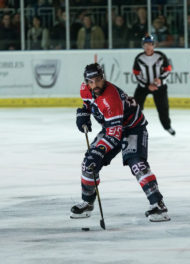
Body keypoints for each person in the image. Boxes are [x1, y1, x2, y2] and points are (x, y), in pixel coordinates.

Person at [71, 63, 170, 222]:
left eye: (98, 80)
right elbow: (89, 104)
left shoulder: (111, 98)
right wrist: (83, 113)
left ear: (103, 78)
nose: (94, 85)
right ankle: (87, 203)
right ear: (86, 82)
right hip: (111, 126)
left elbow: (115, 135)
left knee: (137, 164)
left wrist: (99, 151)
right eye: (91, 81)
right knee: (88, 163)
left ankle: (158, 205)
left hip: (133, 128)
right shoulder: (85, 89)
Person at [132, 34, 175, 136]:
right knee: (135, 107)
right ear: (143, 45)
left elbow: (168, 70)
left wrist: (160, 79)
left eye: (150, 44)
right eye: (146, 44)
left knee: (163, 108)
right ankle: (133, 127)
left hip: (159, 87)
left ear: (154, 45)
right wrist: (147, 85)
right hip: (144, 87)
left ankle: (167, 126)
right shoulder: (139, 58)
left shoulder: (160, 56)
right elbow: (137, 74)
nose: (148, 46)